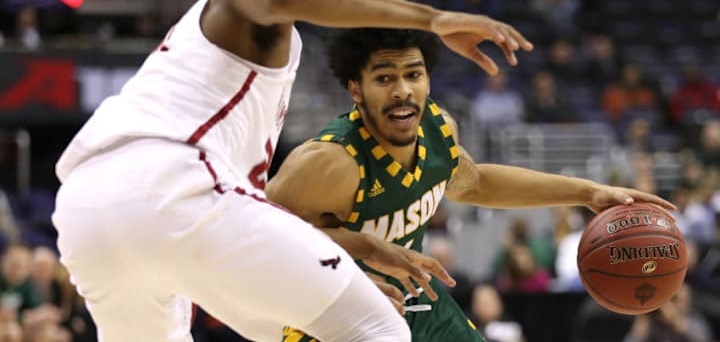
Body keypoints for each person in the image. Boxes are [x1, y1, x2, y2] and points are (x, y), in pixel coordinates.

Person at [51, 0, 535, 341]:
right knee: (379, 327)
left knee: (281, 323)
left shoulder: (198, 41)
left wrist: (358, 249)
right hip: (173, 183)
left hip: (86, 209)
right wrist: (430, 19)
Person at [265, 28, 676, 341]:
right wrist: (355, 258)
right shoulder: (329, 162)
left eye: (414, 74)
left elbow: (474, 184)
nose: (403, 90)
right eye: (384, 78)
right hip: (330, 310)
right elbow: (257, 235)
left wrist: (587, 192)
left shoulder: (438, 130)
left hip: (416, 301)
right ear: (356, 89)